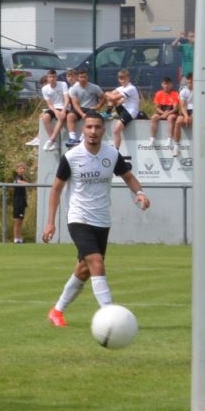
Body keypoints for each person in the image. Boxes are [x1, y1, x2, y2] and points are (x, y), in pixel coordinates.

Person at [42, 112, 150, 327]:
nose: (93, 131)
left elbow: (128, 177)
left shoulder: (112, 154)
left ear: (103, 130)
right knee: (96, 262)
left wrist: (139, 193)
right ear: (83, 129)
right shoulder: (71, 157)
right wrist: (50, 222)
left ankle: (57, 310)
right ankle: (110, 316)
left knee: (84, 269)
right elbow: (56, 189)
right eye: (89, 127)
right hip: (78, 218)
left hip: (102, 220)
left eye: (97, 127)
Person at [103, 69, 142, 150]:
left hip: (130, 112)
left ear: (128, 78)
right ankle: (108, 113)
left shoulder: (131, 88)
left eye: (124, 78)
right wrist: (110, 96)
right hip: (123, 110)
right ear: (118, 79)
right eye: (121, 79)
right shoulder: (120, 88)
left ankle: (116, 150)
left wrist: (106, 93)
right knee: (111, 97)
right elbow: (111, 96)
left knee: (116, 130)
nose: (123, 81)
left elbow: (113, 97)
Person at [65, 69, 104, 147]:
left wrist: (98, 106)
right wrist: (82, 114)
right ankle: (72, 138)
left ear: (87, 77)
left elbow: (103, 97)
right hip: (80, 108)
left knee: (89, 119)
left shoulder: (95, 87)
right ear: (77, 78)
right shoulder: (73, 89)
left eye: (84, 77)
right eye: (81, 77)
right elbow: (75, 104)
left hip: (91, 108)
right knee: (70, 116)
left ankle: (82, 138)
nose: (83, 79)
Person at [39, 70, 68, 151]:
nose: (52, 79)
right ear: (47, 78)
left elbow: (66, 99)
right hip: (54, 108)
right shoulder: (44, 89)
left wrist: (63, 110)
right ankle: (54, 142)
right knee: (45, 117)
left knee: (61, 117)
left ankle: (51, 139)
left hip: (64, 107)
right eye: (50, 77)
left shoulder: (63, 84)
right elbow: (49, 104)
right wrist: (55, 111)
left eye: (54, 77)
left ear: (56, 77)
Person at [148, 77, 179, 149]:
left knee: (170, 118)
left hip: (171, 112)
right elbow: (157, 108)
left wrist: (167, 114)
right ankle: (152, 139)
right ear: (162, 84)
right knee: (154, 117)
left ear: (171, 85)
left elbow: (175, 108)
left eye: (168, 84)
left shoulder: (175, 94)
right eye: (165, 84)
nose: (166, 86)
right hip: (161, 112)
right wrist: (163, 113)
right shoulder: (159, 93)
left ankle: (169, 139)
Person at [173, 73, 194, 157]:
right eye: (188, 79)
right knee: (178, 122)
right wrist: (186, 116)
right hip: (186, 111)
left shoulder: (199, 90)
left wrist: (192, 116)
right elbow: (182, 106)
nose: (189, 81)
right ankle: (176, 146)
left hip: (196, 111)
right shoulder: (183, 91)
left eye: (191, 79)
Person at [11, 161, 29, 243]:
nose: (23, 170)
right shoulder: (17, 177)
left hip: (22, 202)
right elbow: (18, 182)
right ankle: (16, 238)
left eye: (24, 168)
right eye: (21, 168)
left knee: (21, 220)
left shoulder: (22, 178)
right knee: (16, 220)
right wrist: (28, 184)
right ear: (17, 169)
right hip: (17, 202)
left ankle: (19, 237)